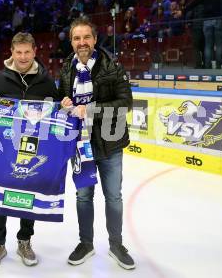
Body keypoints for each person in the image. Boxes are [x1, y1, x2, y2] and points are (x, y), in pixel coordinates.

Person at [0, 32, 58, 268]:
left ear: (35, 51)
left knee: (27, 193)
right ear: (11, 52)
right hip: (2, 150)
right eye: (18, 52)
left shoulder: (46, 81)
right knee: (0, 194)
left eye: (27, 52)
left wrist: (66, 107)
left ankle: (24, 241)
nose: (22, 56)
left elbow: (55, 117)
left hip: (31, 148)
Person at [58, 17, 135, 269]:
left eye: (86, 37)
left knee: (113, 197)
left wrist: (90, 110)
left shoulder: (112, 65)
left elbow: (125, 103)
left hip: (110, 145)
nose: (82, 43)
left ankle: (116, 244)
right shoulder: (66, 69)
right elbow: (63, 100)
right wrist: (65, 104)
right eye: (77, 38)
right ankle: (86, 243)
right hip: (81, 146)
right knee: (83, 197)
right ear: (71, 42)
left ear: (94, 39)